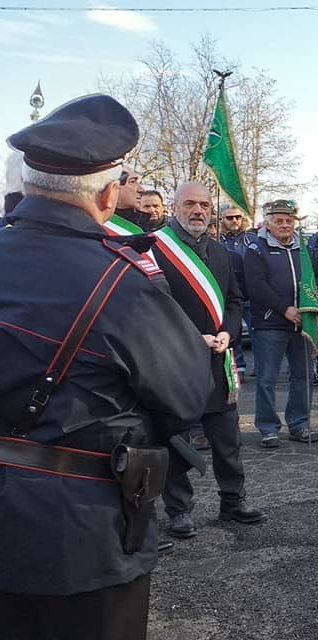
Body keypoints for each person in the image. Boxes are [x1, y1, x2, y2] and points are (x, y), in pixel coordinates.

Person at [0, 94, 212, 639]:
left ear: (27, 181)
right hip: (78, 539)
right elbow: (189, 396)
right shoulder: (124, 286)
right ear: (109, 191)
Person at [158, 182, 266, 540]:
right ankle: (179, 511)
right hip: (175, 363)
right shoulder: (157, 250)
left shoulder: (221, 253)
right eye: (189, 204)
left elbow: (235, 301)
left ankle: (233, 502)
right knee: (176, 442)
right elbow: (153, 309)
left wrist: (228, 333)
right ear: (174, 207)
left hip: (218, 361)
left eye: (204, 204)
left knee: (226, 439)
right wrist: (191, 338)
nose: (198, 211)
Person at [243, 199, 318, 448]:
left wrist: (311, 307)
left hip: (302, 323)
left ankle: (299, 424)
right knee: (267, 378)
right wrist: (283, 308)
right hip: (269, 324)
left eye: (289, 220)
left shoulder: (305, 249)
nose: (285, 225)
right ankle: (268, 428)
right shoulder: (256, 248)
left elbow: (317, 278)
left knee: (303, 376)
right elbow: (255, 286)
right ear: (268, 223)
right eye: (279, 220)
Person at [220, 203, 256, 376]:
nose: (234, 220)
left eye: (237, 217)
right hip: (227, 296)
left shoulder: (252, 239)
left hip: (249, 295)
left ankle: (260, 365)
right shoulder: (217, 241)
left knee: (256, 332)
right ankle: (238, 366)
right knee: (233, 333)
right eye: (229, 217)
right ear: (222, 219)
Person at [112, 165, 159, 232]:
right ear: (113, 186)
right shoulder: (97, 224)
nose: (141, 189)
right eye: (132, 182)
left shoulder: (144, 223)